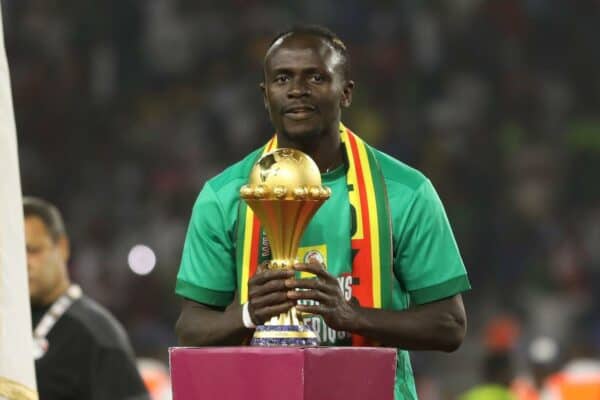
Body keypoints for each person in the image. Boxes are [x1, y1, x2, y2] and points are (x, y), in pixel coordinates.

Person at [175, 25, 470, 399]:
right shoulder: (225, 196)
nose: (297, 89)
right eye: (283, 78)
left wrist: (353, 317)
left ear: (346, 92)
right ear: (266, 96)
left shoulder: (406, 192)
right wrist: (248, 314)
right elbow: (191, 326)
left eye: (316, 76)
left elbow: (450, 326)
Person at [24, 196, 150, 400]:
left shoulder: (95, 333)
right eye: (12, 252)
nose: (23, 262)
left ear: (62, 247)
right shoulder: (9, 327)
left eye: (32, 250)